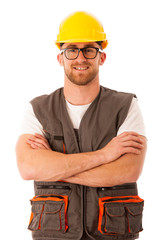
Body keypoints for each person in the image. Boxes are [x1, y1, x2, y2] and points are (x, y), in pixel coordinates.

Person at [16, 11, 147, 240]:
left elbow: (129, 170)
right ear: (60, 58)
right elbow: (28, 168)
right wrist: (105, 155)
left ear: (101, 57)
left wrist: (54, 168)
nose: (80, 57)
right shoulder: (37, 108)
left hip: (113, 234)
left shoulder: (126, 106)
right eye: (71, 50)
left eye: (89, 49)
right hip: (53, 234)